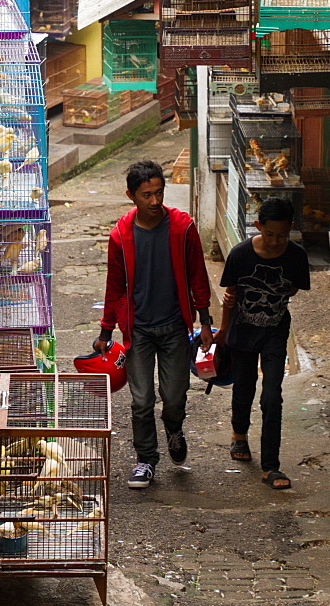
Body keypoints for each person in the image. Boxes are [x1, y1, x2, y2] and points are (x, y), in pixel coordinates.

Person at [95, 159, 213, 488]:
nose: (155, 201)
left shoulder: (182, 227)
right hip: (139, 330)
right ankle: (146, 459)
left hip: (176, 326)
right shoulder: (120, 235)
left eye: (159, 193)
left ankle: (174, 429)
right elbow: (114, 285)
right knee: (141, 400)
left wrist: (205, 321)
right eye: (146, 195)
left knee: (174, 397)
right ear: (131, 195)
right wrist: (106, 330)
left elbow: (198, 276)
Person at [217, 197, 310, 490]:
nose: (274, 241)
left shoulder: (296, 256)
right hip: (242, 332)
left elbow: (294, 287)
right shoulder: (240, 254)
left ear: (291, 229)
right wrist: (222, 331)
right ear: (258, 226)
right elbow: (230, 295)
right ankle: (239, 435)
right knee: (244, 387)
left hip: (274, 332)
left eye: (282, 235)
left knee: (272, 396)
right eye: (269, 234)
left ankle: (271, 466)